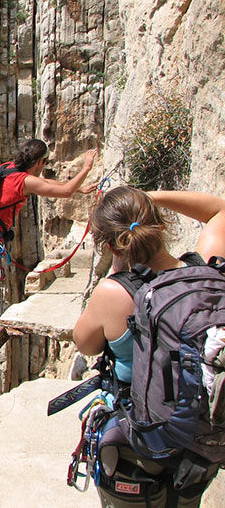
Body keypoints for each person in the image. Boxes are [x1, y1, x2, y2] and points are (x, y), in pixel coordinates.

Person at [73, 186, 225, 507]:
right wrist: (148, 196)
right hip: (201, 446)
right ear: (160, 224)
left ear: (111, 245)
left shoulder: (113, 293)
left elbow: (84, 344)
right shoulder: (207, 270)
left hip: (140, 447)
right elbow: (218, 211)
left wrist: (116, 276)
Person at [0, 139, 98, 366]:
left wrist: (78, 188)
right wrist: (87, 167)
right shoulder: (24, 181)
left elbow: (46, 183)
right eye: (44, 162)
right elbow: (63, 191)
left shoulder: (10, 168)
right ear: (39, 161)